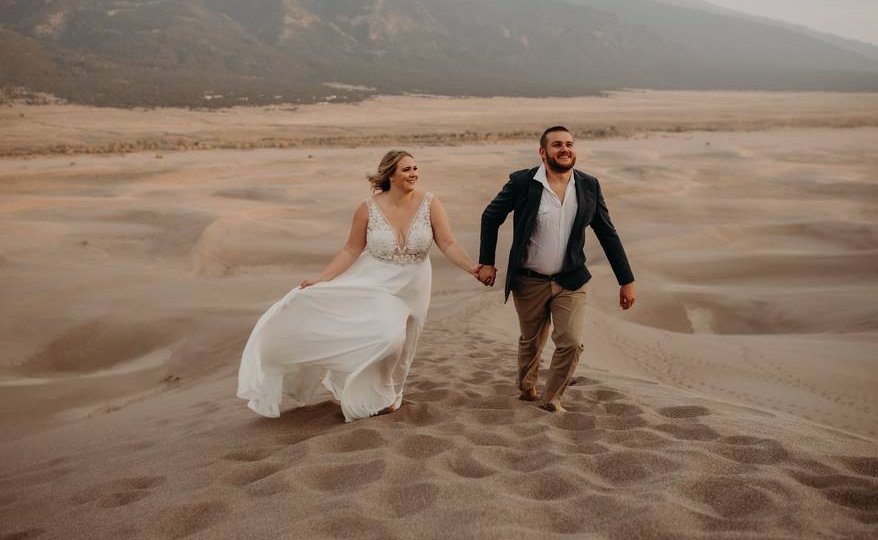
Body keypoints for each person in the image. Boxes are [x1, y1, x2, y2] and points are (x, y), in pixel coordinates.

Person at [237, 150, 483, 422]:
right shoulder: (367, 208)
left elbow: (447, 243)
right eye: (406, 170)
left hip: (416, 283)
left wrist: (473, 268)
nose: (414, 173)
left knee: (408, 343)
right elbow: (351, 250)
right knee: (390, 336)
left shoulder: (430, 203)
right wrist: (322, 278)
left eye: (415, 168)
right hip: (376, 283)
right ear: (391, 174)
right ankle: (368, 392)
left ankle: (391, 395)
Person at [477, 126, 636, 413]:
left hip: (570, 280)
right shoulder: (523, 182)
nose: (565, 149)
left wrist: (626, 280)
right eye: (557, 145)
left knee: (571, 343)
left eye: (570, 144)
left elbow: (607, 233)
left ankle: (551, 400)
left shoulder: (588, 185)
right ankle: (527, 387)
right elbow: (490, 216)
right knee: (531, 340)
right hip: (529, 280)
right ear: (543, 152)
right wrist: (487, 261)